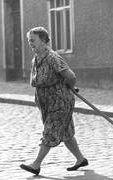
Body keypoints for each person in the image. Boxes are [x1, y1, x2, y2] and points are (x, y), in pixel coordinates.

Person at [20, 27, 88, 175]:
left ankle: (36, 165)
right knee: (66, 133)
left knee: (50, 131)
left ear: (44, 40)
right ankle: (80, 159)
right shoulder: (36, 59)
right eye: (28, 41)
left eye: (33, 40)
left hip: (60, 103)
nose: (30, 43)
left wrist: (70, 87)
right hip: (47, 104)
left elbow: (71, 77)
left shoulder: (53, 58)